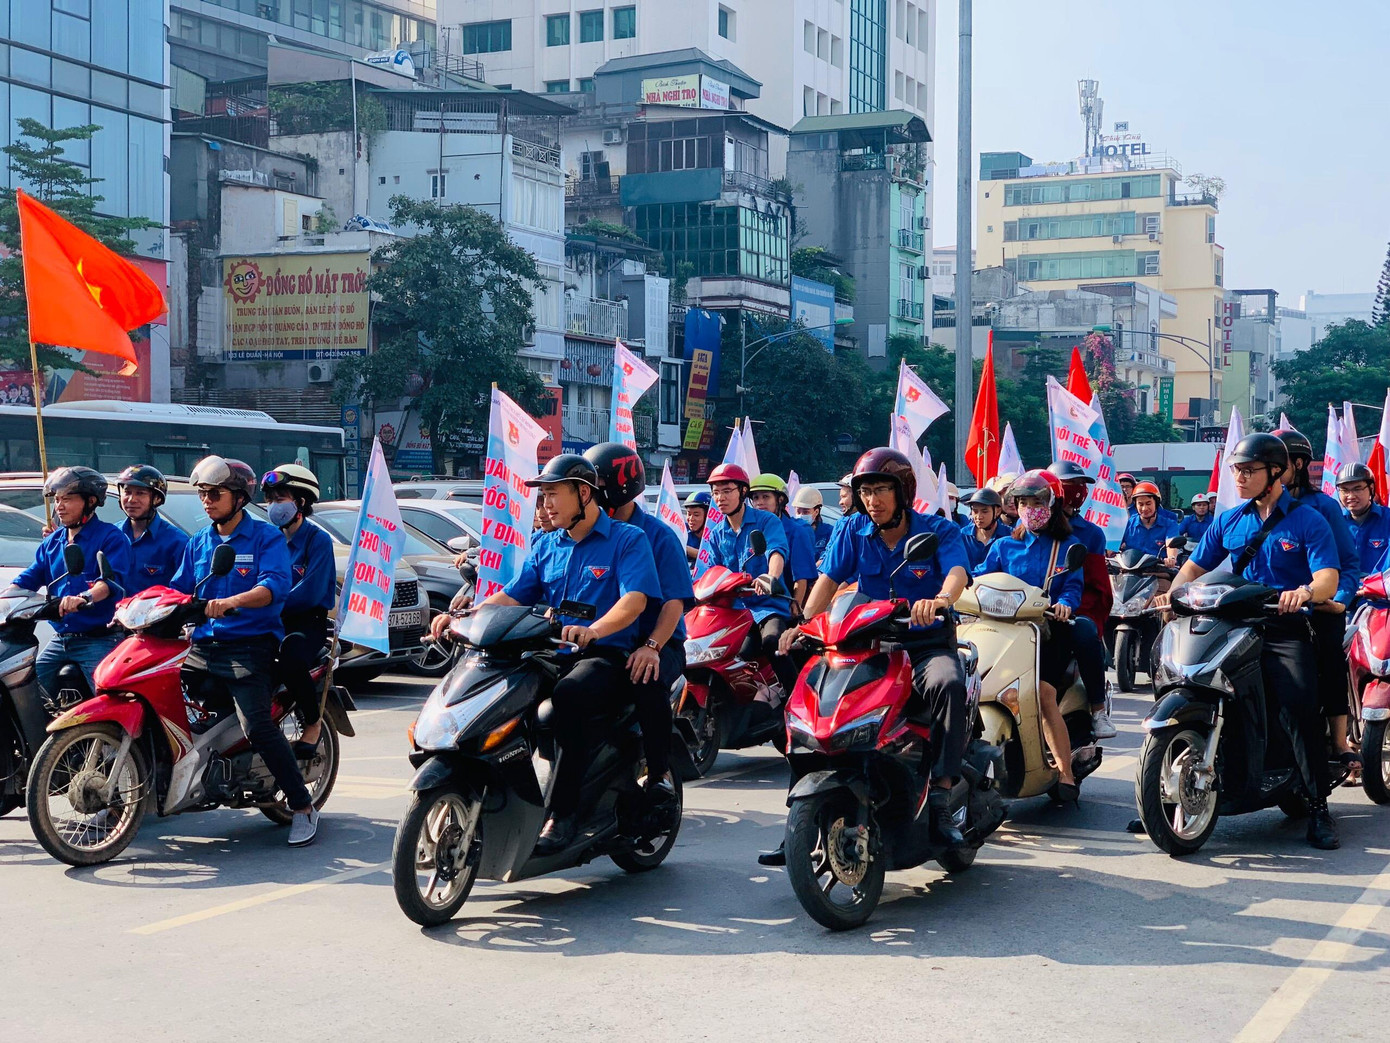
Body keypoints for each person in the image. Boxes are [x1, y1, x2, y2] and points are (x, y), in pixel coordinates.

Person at [780, 447, 972, 853]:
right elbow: (828, 582)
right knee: (807, 696)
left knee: (948, 684)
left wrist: (939, 600)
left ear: (902, 491)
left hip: (922, 645)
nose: (873, 500)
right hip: (866, 647)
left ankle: (941, 793)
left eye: (882, 489)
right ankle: (801, 816)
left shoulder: (938, 530)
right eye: (866, 491)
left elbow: (956, 573)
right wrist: (802, 626)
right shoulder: (852, 529)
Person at [1159, 432, 1341, 850]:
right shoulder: (1229, 519)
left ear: (1276, 472)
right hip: (1231, 622)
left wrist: (1306, 593)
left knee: (1296, 704)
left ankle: (1317, 806)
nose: (1239, 478)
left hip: (1281, 625)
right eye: (1236, 470)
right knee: (1184, 682)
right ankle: (1160, 799)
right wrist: (1171, 593)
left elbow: (1327, 576)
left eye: (1248, 470)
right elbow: (1193, 568)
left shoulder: (1308, 520)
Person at [485, 454, 661, 854]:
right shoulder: (547, 544)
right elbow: (511, 596)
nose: (545, 504)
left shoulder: (627, 540)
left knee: (568, 697)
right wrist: (463, 616)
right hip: (550, 654)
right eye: (542, 496)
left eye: (552, 494)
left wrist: (594, 630)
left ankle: (562, 814)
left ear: (584, 493)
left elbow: (633, 601)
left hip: (604, 656)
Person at [172, 457, 316, 846]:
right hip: (202, 645)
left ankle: (302, 805)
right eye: (202, 493)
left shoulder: (266, 538)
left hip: (249, 646)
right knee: (162, 704)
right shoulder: (199, 542)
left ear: (238, 498)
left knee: (256, 725)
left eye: (214, 493)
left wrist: (233, 601)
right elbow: (179, 589)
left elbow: (274, 587)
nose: (206, 501)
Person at [584, 443, 693, 814]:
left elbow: (674, 602)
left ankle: (659, 771)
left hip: (658, 643)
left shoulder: (657, 537)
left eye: (593, 488)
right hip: (605, 644)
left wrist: (651, 646)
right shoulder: (585, 534)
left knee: (645, 679)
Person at [977, 469, 1084, 801]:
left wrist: (1065, 604)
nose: (1028, 508)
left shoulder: (1067, 546)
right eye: (1023, 502)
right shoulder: (1004, 545)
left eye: (1036, 501)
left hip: (1049, 632)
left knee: (1042, 693)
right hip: (1005, 631)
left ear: (1051, 504)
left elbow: (1073, 588)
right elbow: (980, 579)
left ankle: (1065, 773)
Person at [1274, 427, 1361, 779]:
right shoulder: (1249, 511)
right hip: (1266, 610)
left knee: (1328, 659)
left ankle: (1339, 741)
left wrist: (1338, 601)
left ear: (1296, 464)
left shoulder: (1323, 507)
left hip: (1316, 607)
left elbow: (1348, 564)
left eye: (1275, 463)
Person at [13, 467, 132, 705]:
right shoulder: (53, 543)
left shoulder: (111, 538)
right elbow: (26, 580)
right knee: (25, 692)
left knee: (109, 704)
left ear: (90, 501)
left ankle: (114, 742)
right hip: (60, 640)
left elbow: (109, 583)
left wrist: (84, 597)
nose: (60, 506)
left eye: (67, 499)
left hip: (98, 640)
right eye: (57, 500)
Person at [696, 463, 797, 695]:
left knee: (772, 641)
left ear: (742, 492)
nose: (720, 498)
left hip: (767, 606)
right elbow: (709, 572)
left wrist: (770, 577)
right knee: (715, 652)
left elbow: (776, 551)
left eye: (727, 491)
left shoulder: (766, 521)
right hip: (732, 611)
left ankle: (796, 701)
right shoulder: (716, 534)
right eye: (716, 492)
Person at [262, 464, 336, 762]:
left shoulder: (317, 540)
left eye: (280, 499)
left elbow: (311, 591)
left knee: (291, 661)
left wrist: (266, 603)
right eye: (270, 500)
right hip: (267, 621)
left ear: (301, 502)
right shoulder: (268, 538)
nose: (273, 507)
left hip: (306, 622)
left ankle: (313, 722)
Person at [1047, 461, 1116, 739]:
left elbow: (1096, 585)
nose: (1076, 490)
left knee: (1085, 632)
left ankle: (1097, 709)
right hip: (1026, 609)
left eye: (1080, 484)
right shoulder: (1024, 530)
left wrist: (1072, 608)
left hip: (1071, 610)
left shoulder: (1090, 534)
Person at [117, 465, 188, 595]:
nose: (132, 500)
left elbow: (183, 592)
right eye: (127, 492)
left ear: (157, 499)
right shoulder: (112, 536)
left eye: (140, 493)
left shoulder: (177, 542)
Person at [749, 474, 817, 605]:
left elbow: (801, 578)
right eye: (755, 497)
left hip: (782, 603)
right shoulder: (749, 530)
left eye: (766, 497)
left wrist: (795, 606)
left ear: (780, 500)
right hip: (751, 603)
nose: (759, 502)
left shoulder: (797, 531)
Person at [1337, 462, 1390, 575]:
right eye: (1345, 490)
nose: (1351, 496)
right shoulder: (1334, 522)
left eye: (1357, 489)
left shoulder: (1388, 519)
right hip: (1345, 589)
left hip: (1381, 590)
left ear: (1371, 489)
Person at [1121, 481, 1182, 562]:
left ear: (1156, 504)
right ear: (1135, 505)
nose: (1144, 508)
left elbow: (1171, 544)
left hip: (1158, 570)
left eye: (1148, 503)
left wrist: (1171, 558)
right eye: (1140, 504)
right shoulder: (1127, 524)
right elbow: (1113, 546)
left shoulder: (1170, 524)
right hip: (1130, 571)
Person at [959, 488, 1008, 571]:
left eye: (984, 511)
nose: (979, 516)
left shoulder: (1009, 536)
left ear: (998, 511)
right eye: (975, 511)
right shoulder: (962, 536)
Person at [790, 485, 834, 561]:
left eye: (805, 512)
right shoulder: (790, 532)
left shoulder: (829, 532)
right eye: (798, 511)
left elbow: (829, 556)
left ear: (816, 512)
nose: (801, 515)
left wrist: (813, 569)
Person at [683, 490, 711, 565]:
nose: (691, 519)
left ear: (707, 516)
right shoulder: (683, 532)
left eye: (696, 515)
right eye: (689, 514)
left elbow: (712, 558)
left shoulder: (717, 535)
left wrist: (685, 548)